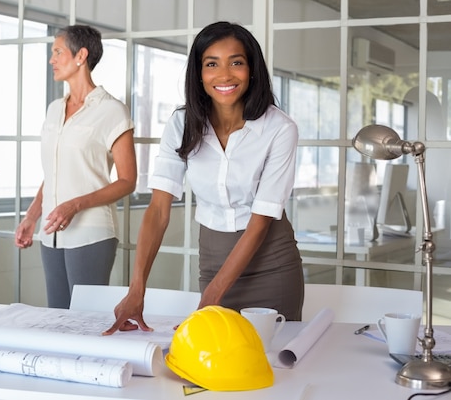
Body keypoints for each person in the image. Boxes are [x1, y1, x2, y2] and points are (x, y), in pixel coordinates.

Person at [104, 21, 304, 335]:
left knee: (270, 365)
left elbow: (261, 220)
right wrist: (137, 288)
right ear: (199, 73)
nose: (224, 75)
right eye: (212, 64)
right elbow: (158, 210)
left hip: (271, 263)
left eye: (236, 62)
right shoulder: (182, 123)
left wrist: (209, 300)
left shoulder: (279, 129)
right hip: (213, 256)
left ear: (252, 70)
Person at [15, 25, 137, 309]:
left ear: (81, 55)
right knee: (56, 318)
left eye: (57, 52)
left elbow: (128, 180)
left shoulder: (112, 111)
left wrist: (75, 205)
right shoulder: (54, 109)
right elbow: (54, 173)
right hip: (50, 233)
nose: (52, 60)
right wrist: (32, 217)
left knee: (86, 321)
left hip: (91, 232)